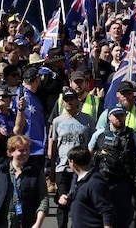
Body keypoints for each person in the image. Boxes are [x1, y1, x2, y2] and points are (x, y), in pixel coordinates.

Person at [91, 104, 136, 228]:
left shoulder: (134, 136)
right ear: (109, 117)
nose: (119, 118)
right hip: (102, 182)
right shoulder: (99, 134)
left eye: (121, 115)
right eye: (116, 115)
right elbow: (86, 158)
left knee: (123, 220)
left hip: (124, 183)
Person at [49, 87, 96, 228]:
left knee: (80, 201)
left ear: (77, 101)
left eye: (71, 99)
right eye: (66, 100)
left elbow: (93, 144)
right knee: (62, 201)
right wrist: (51, 169)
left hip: (82, 169)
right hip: (63, 167)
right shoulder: (57, 121)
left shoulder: (88, 120)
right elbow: (54, 146)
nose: (69, 102)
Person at [0, 134, 50, 228]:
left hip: (26, 222)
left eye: (27, 150)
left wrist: (38, 224)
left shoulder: (36, 172)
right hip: (1, 222)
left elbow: (44, 199)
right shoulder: (0, 170)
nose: (25, 153)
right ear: (11, 152)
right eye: (21, 150)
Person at [58, 145, 115, 228]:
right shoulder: (76, 178)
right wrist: (66, 197)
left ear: (72, 163)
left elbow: (106, 210)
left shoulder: (95, 183)